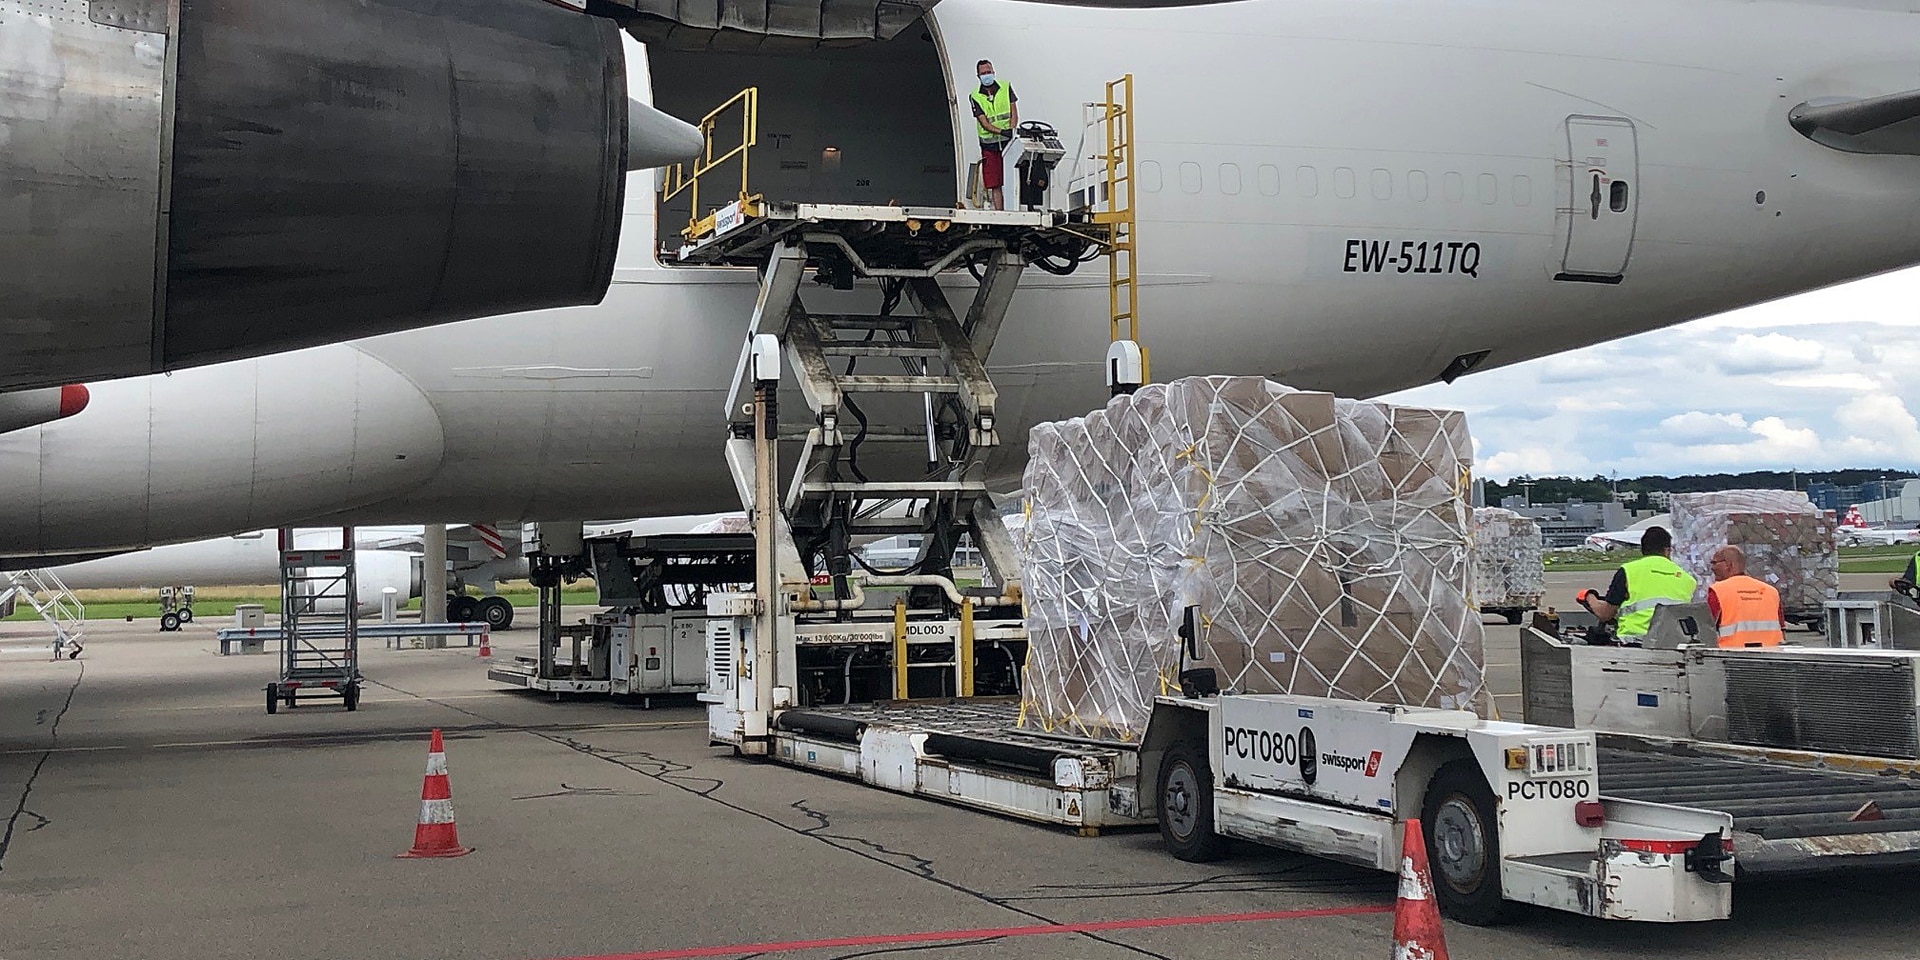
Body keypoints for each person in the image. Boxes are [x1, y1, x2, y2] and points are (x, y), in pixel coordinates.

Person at [1577, 525, 1697, 643]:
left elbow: (1605, 614)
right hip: (1673, 641)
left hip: (1634, 641)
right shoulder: (1687, 579)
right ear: (1667, 550)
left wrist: (1588, 596)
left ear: (1642, 549)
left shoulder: (1629, 571)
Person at [1706, 545, 1785, 648]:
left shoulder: (1718, 591)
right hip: (1771, 656)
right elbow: (1782, 630)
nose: (1712, 568)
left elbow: (1705, 630)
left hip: (1731, 656)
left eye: (1714, 563)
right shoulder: (1770, 591)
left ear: (1729, 564)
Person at [970, 60, 1018, 210]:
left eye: (988, 72)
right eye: (983, 73)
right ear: (978, 76)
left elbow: (1014, 112)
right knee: (994, 182)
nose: (987, 75)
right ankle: (1000, 212)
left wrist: (1012, 130)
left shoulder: (1005, 87)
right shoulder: (975, 96)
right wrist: (1002, 131)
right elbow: (984, 122)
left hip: (1007, 143)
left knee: (1011, 177)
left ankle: (1013, 209)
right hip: (989, 145)